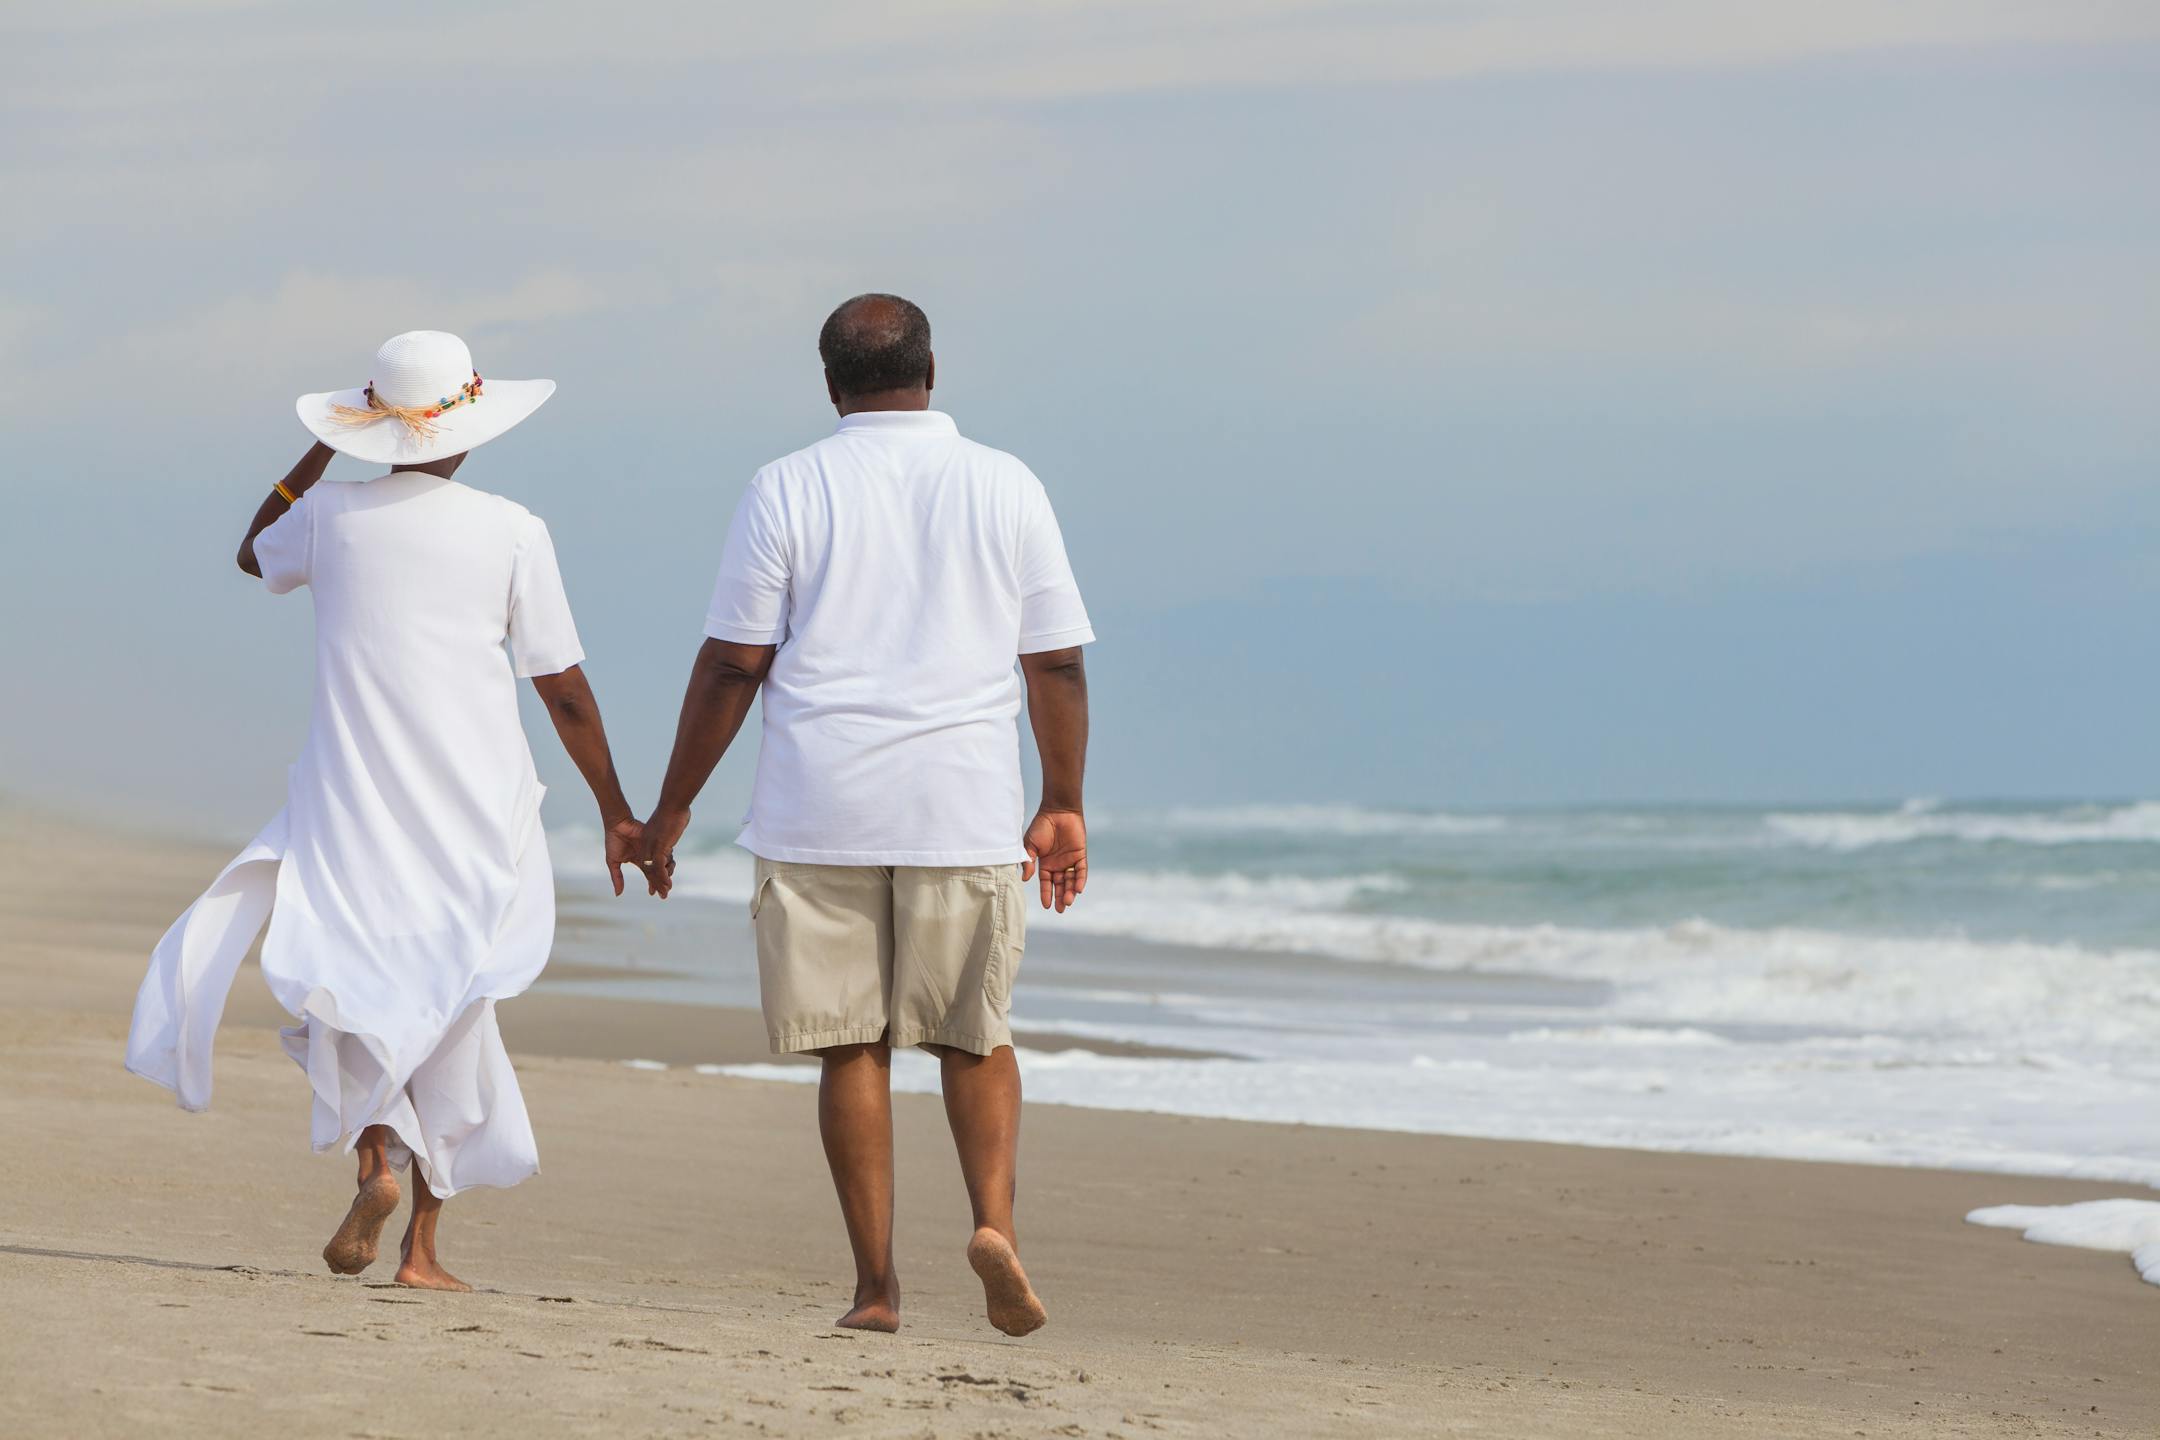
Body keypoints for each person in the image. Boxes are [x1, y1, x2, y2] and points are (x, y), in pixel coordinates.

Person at [126, 331, 641, 1291]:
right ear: (470, 425)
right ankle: (424, 1256)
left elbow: (252, 552)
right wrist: (617, 809)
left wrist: (330, 444)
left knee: (353, 986)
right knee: (455, 998)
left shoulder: (327, 516)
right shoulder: (512, 529)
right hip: (475, 805)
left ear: (373, 424)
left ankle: (376, 1165)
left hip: (351, 797)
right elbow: (562, 687)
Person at [637, 294, 1093, 1336]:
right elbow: (1054, 659)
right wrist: (1061, 800)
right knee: (974, 1039)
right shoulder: (1004, 483)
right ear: (934, 372)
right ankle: (994, 1228)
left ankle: (877, 1289)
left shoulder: (786, 486)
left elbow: (733, 665)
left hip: (818, 805)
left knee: (853, 1046)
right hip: (963, 801)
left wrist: (669, 810)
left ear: (831, 383)